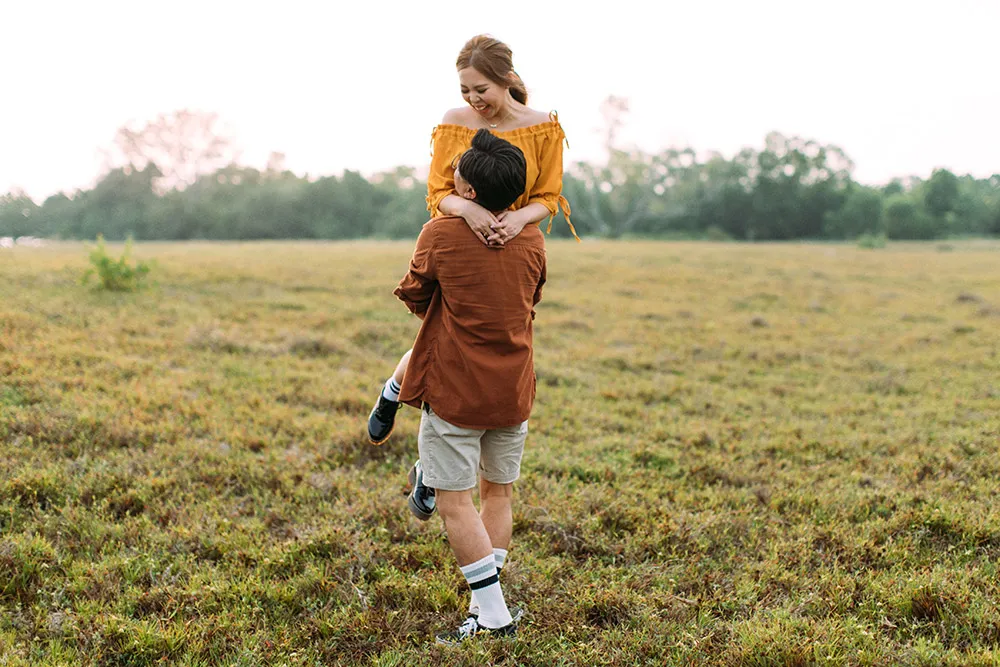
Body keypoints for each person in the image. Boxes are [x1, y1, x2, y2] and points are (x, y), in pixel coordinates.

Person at [367, 33, 576, 446]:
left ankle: (443, 453)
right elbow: (437, 192)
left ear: (506, 78)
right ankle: (395, 396)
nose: (472, 99)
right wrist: (468, 210)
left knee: (496, 341)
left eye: (481, 89)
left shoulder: (543, 126)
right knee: (446, 336)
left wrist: (517, 219)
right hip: (459, 239)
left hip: (513, 242)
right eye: (464, 90)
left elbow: (548, 196)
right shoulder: (455, 121)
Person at [392, 129, 545, 644]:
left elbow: (415, 294)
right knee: (497, 493)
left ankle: (494, 617)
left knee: (454, 501)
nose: (450, 173)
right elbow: (530, 297)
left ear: (470, 190)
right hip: (513, 389)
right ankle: (487, 607)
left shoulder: (439, 233)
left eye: (457, 169)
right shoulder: (533, 238)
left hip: (455, 390)